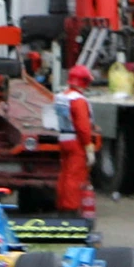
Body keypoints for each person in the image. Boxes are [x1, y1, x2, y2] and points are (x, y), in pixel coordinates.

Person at [48, 64, 97, 217]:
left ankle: (62, 205)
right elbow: (83, 126)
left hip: (64, 139)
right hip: (76, 142)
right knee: (75, 176)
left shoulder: (62, 97)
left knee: (64, 175)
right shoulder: (79, 100)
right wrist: (88, 146)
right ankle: (71, 209)